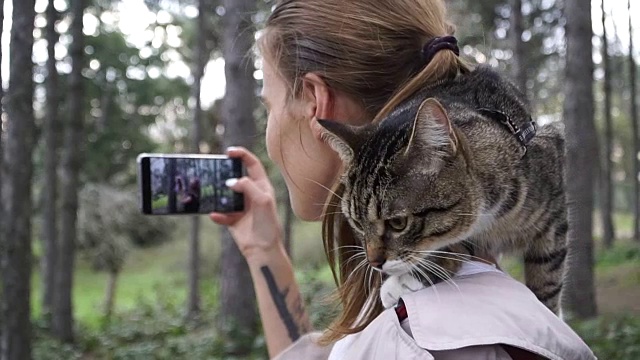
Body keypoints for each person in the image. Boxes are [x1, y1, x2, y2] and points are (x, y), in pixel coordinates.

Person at [210, 0, 596, 359]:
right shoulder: (437, 250)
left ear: (315, 102)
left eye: (270, 106)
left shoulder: (416, 340)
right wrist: (264, 250)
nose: (269, 132)